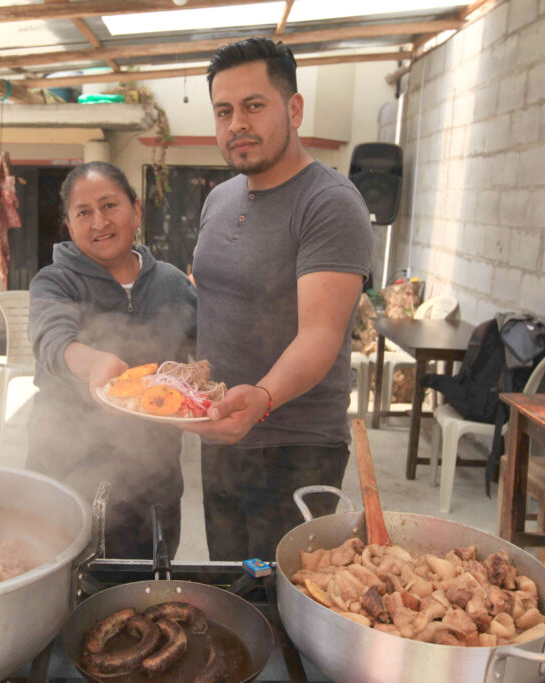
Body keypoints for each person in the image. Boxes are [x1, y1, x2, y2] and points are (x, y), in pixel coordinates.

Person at [184, 38, 373, 561]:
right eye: (224, 111)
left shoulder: (329, 203)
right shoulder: (219, 199)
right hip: (220, 434)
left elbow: (320, 334)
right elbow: (214, 299)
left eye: (253, 105)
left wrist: (263, 398)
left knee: (283, 594)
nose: (237, 124)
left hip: (295, 445)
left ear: (294, 109)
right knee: (231, 582)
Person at [25, 161, 196, 560]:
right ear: (69, 226)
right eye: (83, 212)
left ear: (136, 211)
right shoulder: (54, 281)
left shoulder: (173, 284)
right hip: (68, 474)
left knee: (150, 586)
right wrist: (93, 364)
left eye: (109, 205)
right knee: (69, 584)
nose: (99, 222)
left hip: (155, 481)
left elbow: (207, 355)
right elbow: (52, 340)